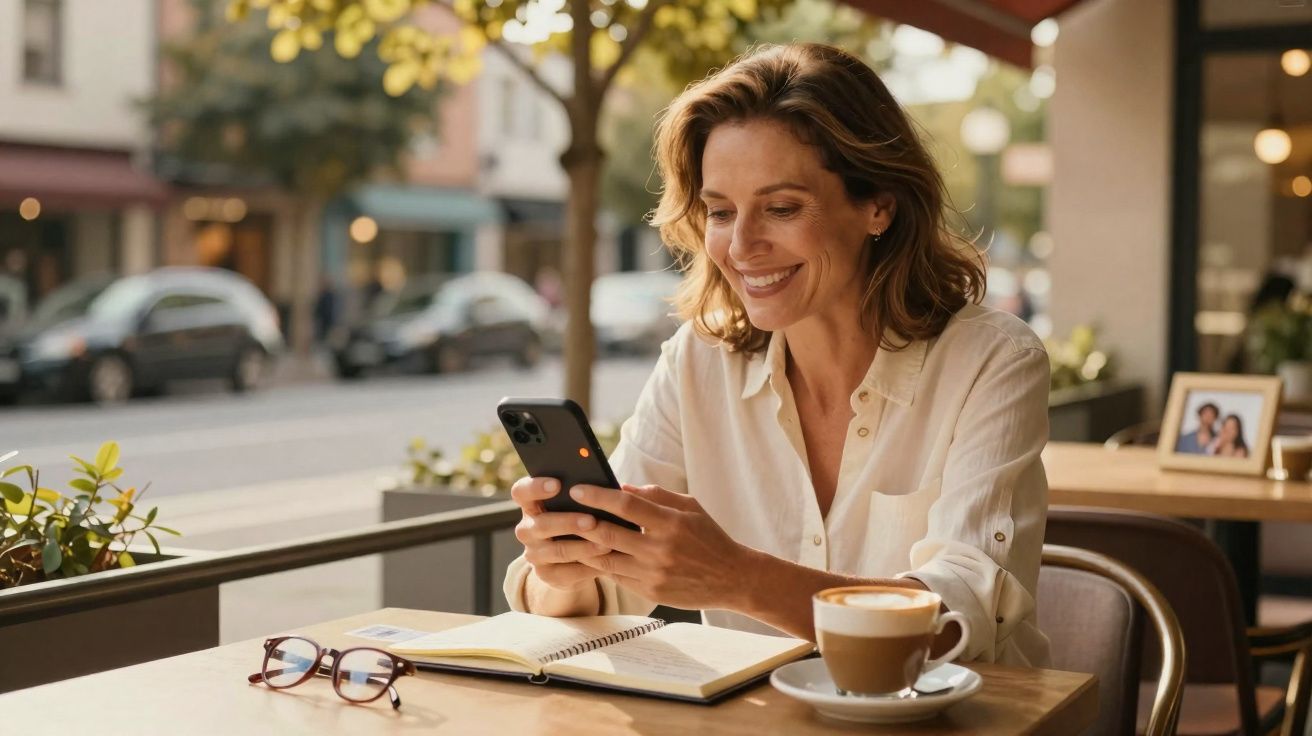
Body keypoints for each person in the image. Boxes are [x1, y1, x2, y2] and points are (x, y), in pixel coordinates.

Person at [501, 43, 1051, 666]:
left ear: (878, 205)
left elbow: (957, 622)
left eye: (782, 208)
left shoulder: (992, 360)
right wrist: (563, 567)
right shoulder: (697, 360)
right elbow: (604, 592)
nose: (740, 246)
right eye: (720, 211)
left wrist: (738, 578)